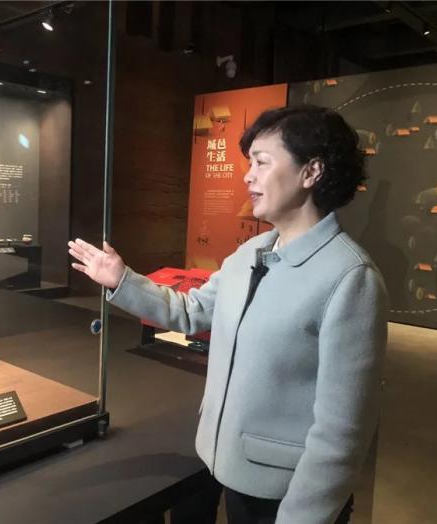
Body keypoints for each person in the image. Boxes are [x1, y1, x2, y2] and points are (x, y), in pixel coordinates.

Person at [68, 105, 388, 524]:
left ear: (311, 172)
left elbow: (343, 431)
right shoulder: (250, 254)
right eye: (248, 163)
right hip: (231, 471)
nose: (248, 176)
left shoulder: (350, 278)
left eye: (261, 162)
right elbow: (192, 311)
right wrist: (122, 280)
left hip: (287, 495)